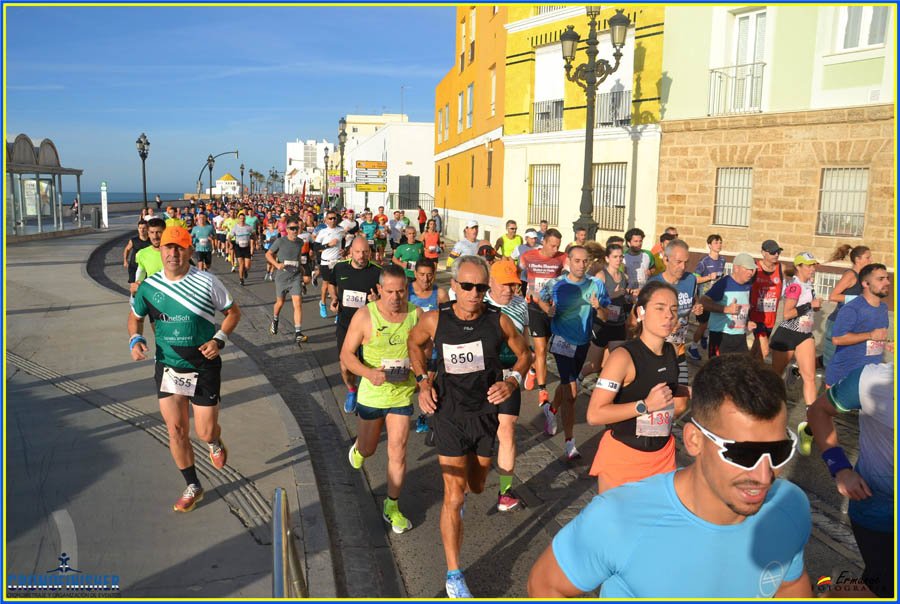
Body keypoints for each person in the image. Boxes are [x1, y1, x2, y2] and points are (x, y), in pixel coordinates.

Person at [530, 354, 812, 598]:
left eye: (778, 451)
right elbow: (544, 586)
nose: (764, 475)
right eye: (742, 455)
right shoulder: (619, 517)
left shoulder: (790, 505)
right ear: (693, 441)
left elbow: (790, 585)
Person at [407, 255, 530, 598]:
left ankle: (466, 492)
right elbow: (414, 343)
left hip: (485, 415)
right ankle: (454, 573)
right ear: (454, 287)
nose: (474, 293)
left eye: (480, 287)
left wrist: (513, 382)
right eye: (467, 286)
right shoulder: (436, 320)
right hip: (448, 414)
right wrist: (422, 382)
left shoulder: (498, 321)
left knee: (477, 484)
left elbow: (526, 354)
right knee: (454, 493)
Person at [128, 225, 241, 512]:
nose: (174, 253)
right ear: (160, 250)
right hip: (168, 366)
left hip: (204, 365)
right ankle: (193, 485)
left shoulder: (206, 281)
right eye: (169, 247)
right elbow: (135, 317)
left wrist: (219, 339)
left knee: (203, 432)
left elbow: (233, 312)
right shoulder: (149, 287)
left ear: (190, 250)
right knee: (176, 430)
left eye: (180, 247)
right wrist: (135, 338)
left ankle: (214, 441)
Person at [586, 281, 689, 492]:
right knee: (616, 525)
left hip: (663, 457)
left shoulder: (672, 351)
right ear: (641, 312)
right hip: (624, 458)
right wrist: (645, 405)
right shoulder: (623, 357)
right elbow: (594, 415)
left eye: (674, 309)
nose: (668, 315)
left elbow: (671, 394)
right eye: (659, 308)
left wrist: (708, 392)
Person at [342, 264, 422, 534]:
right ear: (378, 290)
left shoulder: (416, 315)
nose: (396, 298)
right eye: (389, 292)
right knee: (369, 449)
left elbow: (426, 351)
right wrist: (367, 373)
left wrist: (419, 367)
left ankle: (392, 506)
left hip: (401, 392)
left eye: (401, 292)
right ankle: (358, 449)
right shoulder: (365, 316)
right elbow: (346, 356)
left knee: (398, 450)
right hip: (373, 392)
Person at [807, 362, 894, 598]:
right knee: (883, 585)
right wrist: (841, 469)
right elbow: (818, 411)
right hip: (880, 511)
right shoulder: (872, 380)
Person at [538, 246, 610, 459]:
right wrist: (547, 310)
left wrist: (598, 308)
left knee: (566, 386)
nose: (581, 265)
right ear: (568, 261)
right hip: (561, 340)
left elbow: (605, 317)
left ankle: (551, 410)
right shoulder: (556, 284)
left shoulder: (596, 284)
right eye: (576, 261)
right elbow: (540, 298)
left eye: (584, 261)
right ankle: (570, 443)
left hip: (582, 341)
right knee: (572, 391)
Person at [484, 260, 532, 511]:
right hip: (480, 377)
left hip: (510, 375)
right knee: (480, 433)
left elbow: (524, 339)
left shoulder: (521, 304)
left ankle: (505, 492)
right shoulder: (478, 303)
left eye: (514, 285)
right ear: (491, 281)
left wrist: (529, 369)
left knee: (507, 429)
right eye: (504, 284)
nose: (509, 290)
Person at [769, 253, 821, 451]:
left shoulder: (809, 285)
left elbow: (807, 309)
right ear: (799, 267)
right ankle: (770, 413)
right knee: (775, 377)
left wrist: (813, 308)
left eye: (813, 266)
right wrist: (810, 305)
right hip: (788, 334)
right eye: (809, 266)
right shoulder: (795, 285)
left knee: (809, 377)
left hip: (805, 335)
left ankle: (811, 422)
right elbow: (788, 313)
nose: (813, 269)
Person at [329, 237, 383, 413]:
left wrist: (377, 301)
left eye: (365, 252)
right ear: (350, 251)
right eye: (358, 252)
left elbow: (389, 296)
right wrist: (334, 298)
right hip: (346, 325)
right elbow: (331, 284)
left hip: (370, 328)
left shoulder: (378, 272)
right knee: (345, 365)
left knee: (369, 364)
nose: (362, 255)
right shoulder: (340, 267)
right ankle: (352, 390)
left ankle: (368, 398)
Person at [519, 228, 566, 406]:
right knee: (541, 350)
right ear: (544, 242)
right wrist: (526, 291)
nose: (555, 249)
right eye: (552, 245)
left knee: (547, 347)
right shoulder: (528, 256)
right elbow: (518, 273)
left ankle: (533, 368)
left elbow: (575, 273)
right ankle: (543, 391)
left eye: (558, 246)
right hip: (534, 306)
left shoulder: (562, 258)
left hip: (553, 308)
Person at [825, 263, 890, 388]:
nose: (887, 282)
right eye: (881, 279)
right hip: (844, 377)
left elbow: (876, 337)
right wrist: (870, 335)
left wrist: (887, 343)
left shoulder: (883, 308)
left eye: (887, 278)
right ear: (866, 284)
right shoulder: (852, 308)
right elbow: (837, 339)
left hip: (870, 378)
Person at [648, 239, 702, 386]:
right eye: (678, 262)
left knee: (682, 391)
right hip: (658, 351)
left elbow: (692, 301)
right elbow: (643, 320)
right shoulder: (654, 284)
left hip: (679, 347)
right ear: (666, 259)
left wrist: (697, 306)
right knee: (660, 392)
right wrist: (669, 325)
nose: (683, 267)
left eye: (686, 262)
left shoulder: (690, 279)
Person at [577, 243, 631, 385]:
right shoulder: (601, 276)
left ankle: (608, 391)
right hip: (602, 324)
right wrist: (614, 294)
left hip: (618, 324)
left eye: (620, 257)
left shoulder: (624, 276)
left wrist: (630, 296)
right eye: (615, 257)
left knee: (616, 362)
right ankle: (579, 377)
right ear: (607, 258)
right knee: (594, 365)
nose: (618, 260)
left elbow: (624, 299)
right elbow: (594, 299)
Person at [821, 245, 871, 368]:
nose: (870, 261)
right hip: (837, 323)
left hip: (851, 325)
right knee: (831, 363)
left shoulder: (862, 277)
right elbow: (833, 296)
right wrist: (857, 299)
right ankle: (800, 371)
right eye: (868, 258)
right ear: (857, 259)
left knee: (844, 361)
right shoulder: (850, 275)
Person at [699, 252, 757, 356]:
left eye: (752, 270)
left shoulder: (748, 285)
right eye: (747, 269)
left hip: (740, 336)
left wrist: (746, 322)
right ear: (736, 268)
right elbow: (703, 301)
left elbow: (742, 308)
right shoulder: (724, 283)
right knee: (717, 370)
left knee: (742, 370)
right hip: (721, 336)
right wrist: (726, 309)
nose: (750, 273)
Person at [266, 216, 311, 345]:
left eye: (296, 228)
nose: (294, 231)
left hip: (295, 277)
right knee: (280, 303)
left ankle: (298, 333)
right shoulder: (280, 241)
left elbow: (298, 259)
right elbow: (268, 254)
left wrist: (303, 272)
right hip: (281, 277)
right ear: (287, 229)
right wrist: (276, 264)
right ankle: (275, 320)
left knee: (297, 304)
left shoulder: (300, 242)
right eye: (292, 228)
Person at [687, 234, 725, 361]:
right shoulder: (704, 262)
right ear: (709, 245)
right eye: (716, 242)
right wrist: (709, 277)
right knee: (703, 324)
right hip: (703, 298)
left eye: (720, 242)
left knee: (712, 323)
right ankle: (692, 347)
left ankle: (705, 336)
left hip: (716, 298)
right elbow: (695, 279)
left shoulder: (722, 260)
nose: (719, 245)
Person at [749, 239, 785, 362]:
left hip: (770, 318)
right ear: (763, 253)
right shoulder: (754, 268)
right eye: (773, 252)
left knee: (756, 349)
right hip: (756, 316)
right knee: (764, 350)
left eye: (778, 252)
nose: (776, 255)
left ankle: (745, 369)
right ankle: (757, 378)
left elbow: (797, 273)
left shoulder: (781, 268)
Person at [314, 210, 345, 318]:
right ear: (326, 220)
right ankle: (322, 303)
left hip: (337, 261)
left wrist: (343, 250)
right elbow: (316, 247)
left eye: (334, 218)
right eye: (330, 218)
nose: (332, 220)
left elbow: (343, 242)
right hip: (326, 262)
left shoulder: (341, 231)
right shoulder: (322, 232)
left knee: (337, 285)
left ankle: (337, 307)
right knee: (326, 284)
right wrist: (328, 245)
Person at [133, 217, 167, 292]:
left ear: (165, 232)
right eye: (152, 232)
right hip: (152, 295)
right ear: (148, 233)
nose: (155, 236)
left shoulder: (174, 252)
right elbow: (140, 274)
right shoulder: (142, 254)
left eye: (158, 232)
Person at [123, 219, 151, 294]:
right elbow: (127, 249)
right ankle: (133, 301)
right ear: (138, 229)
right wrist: (125, 260)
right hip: (134, 266)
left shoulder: (151, 241)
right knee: (133, 287)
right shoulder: (133, 240)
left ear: (147, 229)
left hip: (146, 268)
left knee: (144, 287)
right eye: (140, 228)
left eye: (144, 228)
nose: (142, 230)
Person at [229, 213, 255, 286]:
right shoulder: (235, 227)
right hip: (238, 247)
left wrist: (255, 241)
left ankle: (245, 270)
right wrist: (230, 244)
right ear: (238, 219)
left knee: (247, 266)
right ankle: (241, 279)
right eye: (241, 218)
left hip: (246, 247)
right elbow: (229, 237)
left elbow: (253, 234)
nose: (242, 220)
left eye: (243, 218)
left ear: (245, 219)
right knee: (241, 264)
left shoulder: (249, 227)